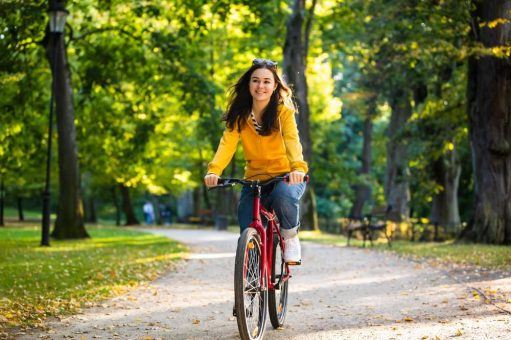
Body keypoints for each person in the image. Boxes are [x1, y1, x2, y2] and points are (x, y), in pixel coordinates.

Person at [204, 58, 308, 264]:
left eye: (267, 81)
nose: (261, 86)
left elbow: (292, 141)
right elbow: (227, 144)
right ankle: (251, 273)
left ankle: (290, 236)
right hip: (254, 179)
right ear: (249, 84)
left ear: (275, 85)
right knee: (247, 222)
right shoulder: (239, 116)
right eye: (255, 80)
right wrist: (213, 171)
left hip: (286, 177)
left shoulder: (283, 113)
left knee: (282, 196)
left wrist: (297, 168)